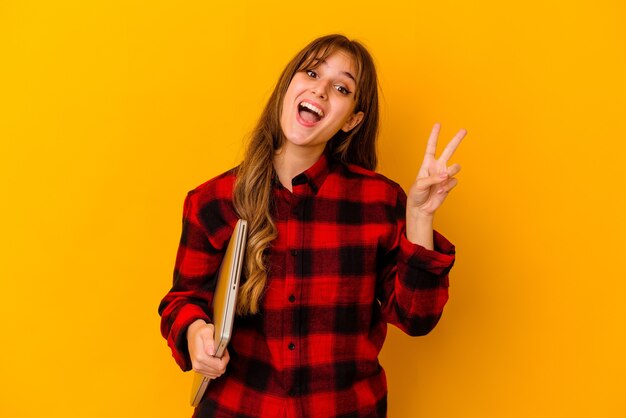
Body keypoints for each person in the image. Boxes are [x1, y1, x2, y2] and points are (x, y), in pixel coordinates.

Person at [159, 34, 466, 417]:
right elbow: (182, 301)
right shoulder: (214, 199)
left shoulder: (379, 201)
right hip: (237, 408)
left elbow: (417, 317)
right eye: (311, 73)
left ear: (352, 119)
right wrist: (195, 333)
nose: (320, 91)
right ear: (289, 86)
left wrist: (420, 216)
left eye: (341, 87)